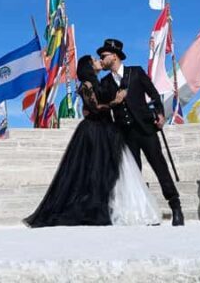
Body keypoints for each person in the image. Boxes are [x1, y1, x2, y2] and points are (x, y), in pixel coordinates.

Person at [24, 55, 159, 227]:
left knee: (116, 169)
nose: (98, 61)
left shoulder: (100, 82)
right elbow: (94, 107)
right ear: (89, 66)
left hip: (107, 128)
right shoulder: (86, 85)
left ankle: (131, 210)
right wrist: (115, 102)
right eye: (94, 60)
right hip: (94, 130)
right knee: (94, 169)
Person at [97, 38, 185, 226]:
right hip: (125, 134)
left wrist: (160, 114)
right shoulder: (104, 82)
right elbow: (100, 106)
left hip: (146, 129)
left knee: (160, 167)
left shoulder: (135, 73)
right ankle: (144, 213)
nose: (101, 59)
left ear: (114, 56)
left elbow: (154, 94)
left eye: (103, 56)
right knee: (133, 175)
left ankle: (176, 207)